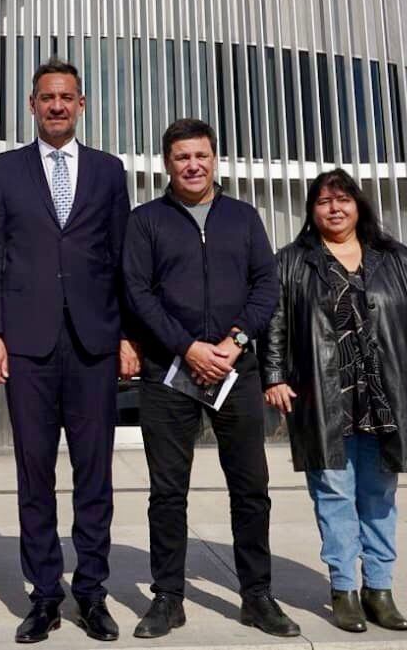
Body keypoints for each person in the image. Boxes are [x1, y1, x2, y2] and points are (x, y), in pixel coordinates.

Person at [0, 58, 137, 644]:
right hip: (28, 347)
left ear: (83, 103)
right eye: (48, 97)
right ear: (33, 104)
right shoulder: (5, 171)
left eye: (68, 97)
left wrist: (126, 337)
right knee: (34, 474)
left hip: (94, 344)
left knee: (95, 476)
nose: (58, 106)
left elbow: (123, 262)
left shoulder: (109, 171)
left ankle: (91, 592)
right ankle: (44, 594)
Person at [121, 119, 300, 639]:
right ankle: (168, 597)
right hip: (167, 372)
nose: (192, 165)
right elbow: (137, 293)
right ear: (166, 164)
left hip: (235, 370)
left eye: (200, 155)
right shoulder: (146, 221)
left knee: (250, 488)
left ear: (216, 159)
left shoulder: (243, 218)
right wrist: (188, 347)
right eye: (181, 157)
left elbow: (266, 285)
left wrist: (235, 341)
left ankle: (257, 595)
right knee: (167, 492)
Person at [262, 169, 407, 634]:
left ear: (359, 205)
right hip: (324, 396)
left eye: (343, 200)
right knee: (333, 493)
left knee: (380, 495)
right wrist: (273, 376)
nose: (334, 208)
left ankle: (380, 589)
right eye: (324, 202)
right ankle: (344, 588)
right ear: (312, 211)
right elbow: (274, 324)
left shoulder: (395, 257)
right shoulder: (291, 260)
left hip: (385, 396)